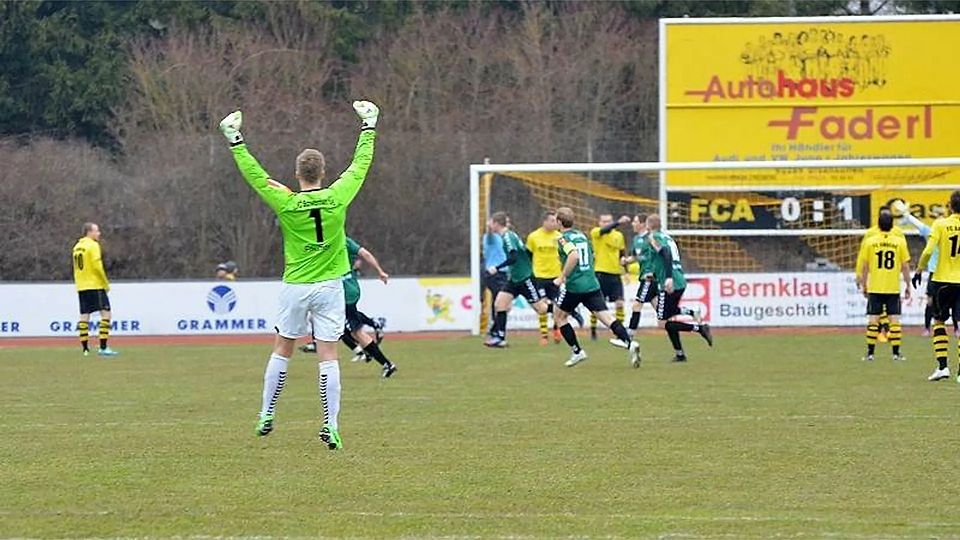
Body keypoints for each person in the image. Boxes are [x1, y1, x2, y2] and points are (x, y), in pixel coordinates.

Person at [219, 100, 379, 449]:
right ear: (323, 172)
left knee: (282, 349)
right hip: (329, 287)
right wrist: (369, 127)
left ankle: (266, 414)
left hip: (296, 285)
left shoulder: (286, 202)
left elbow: (255, 175)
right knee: (329, 355)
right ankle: (330, 425)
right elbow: (360, 165)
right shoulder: (338, 196)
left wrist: (235, 139)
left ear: (297, 174)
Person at [552, 207, 640, 368]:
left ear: (559, 222)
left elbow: (573, 256)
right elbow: (591, 256)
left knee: (559, 317)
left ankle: (577, 351)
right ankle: (629, 343)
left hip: (575, 286)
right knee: (607, 317)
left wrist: (562, 277)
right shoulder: (582, 236)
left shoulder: (563, 239)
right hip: (592, 283)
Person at [645, 215, 713, 362]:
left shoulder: (653, 237)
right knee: (668, 318)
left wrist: (668, 277)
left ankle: (700, 329)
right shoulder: (667, 237)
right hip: (678, 280)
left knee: (664, 322)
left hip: (670, 283)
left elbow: (666, 254)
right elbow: (664, 257)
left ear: (649, 225)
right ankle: (680, 354)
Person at [485, 211, 551, 347]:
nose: (490, 225)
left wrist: (497, 268)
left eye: (491, 222)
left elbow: (513, 257)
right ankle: (500, 338)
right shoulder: (507, 236)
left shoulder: (508, 237)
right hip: (514, 278)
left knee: (542, 309)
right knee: (499, 304)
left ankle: (568, 308)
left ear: (496, 223)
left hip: (524, 278)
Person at [914, 191, 960, 382]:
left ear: (950, 206)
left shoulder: (940, 224)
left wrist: (919, 270)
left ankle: (942, 367)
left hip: (941, 281)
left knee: (939, 322)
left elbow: (927, 251)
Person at [895, 200, 958, 337]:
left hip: (940, 275)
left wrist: (919, 270)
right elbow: (919, 225)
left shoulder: (939, 228)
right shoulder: (933, 230)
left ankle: (950, 331)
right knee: (932, 303)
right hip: (941, 273)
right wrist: (908, 216)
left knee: (942, 314)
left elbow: (927, 249)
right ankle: (927, 328)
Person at [857, 209, 911, 362]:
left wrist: (864, 284)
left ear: (878, 225)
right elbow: (905, 266)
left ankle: (870, 353)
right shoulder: (899, 241)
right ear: (892, 225)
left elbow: (865, 266)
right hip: (893, 287)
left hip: (875, 287)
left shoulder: (870, 241)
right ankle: (896, 353)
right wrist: (908, 285)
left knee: (873, 319)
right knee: (894, 320)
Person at [72, 222, 119, 357]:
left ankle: (85, 349)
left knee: (84, 316)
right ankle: (103, 347)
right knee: (106, 314)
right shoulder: (93, 245)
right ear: (89, 232)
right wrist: (105, 283)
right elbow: (97, 266)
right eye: (96, 231)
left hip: (81, 285)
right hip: (95, 284)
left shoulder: (77, 247)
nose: (99, 233)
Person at [589, 214, 631, 342]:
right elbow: (605, 230)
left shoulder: (618, 236)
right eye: (604, 221)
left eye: (608, 221)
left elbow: (622, 252)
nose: (606, 223)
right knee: (597, 306)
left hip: (615, 274)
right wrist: (619, 222)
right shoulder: (596, 232)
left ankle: (620, 331)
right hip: (600, 273)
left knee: (619, 303)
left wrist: (626, 270)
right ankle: (593, 330)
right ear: (599, 222)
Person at [621, 213, 658, 336]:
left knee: (637, 304)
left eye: (635, 221)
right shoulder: (636, 239)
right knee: (661, 311)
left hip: (649, 276)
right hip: (644, 275)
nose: (633, 224)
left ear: (642, 224)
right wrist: (626, 260)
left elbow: (656, 255)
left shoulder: (652, 238)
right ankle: (691, 313)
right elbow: (636, 256)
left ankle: (629, 335)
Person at [482, 218, 509, 336]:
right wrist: (489, 228)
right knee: (501, 301)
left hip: (503, 273)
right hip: (494, 274)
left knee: (501, 302)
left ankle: (495, 329)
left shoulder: (506, 238)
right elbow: (489, 234)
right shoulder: (490, 237)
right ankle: (495, 330)